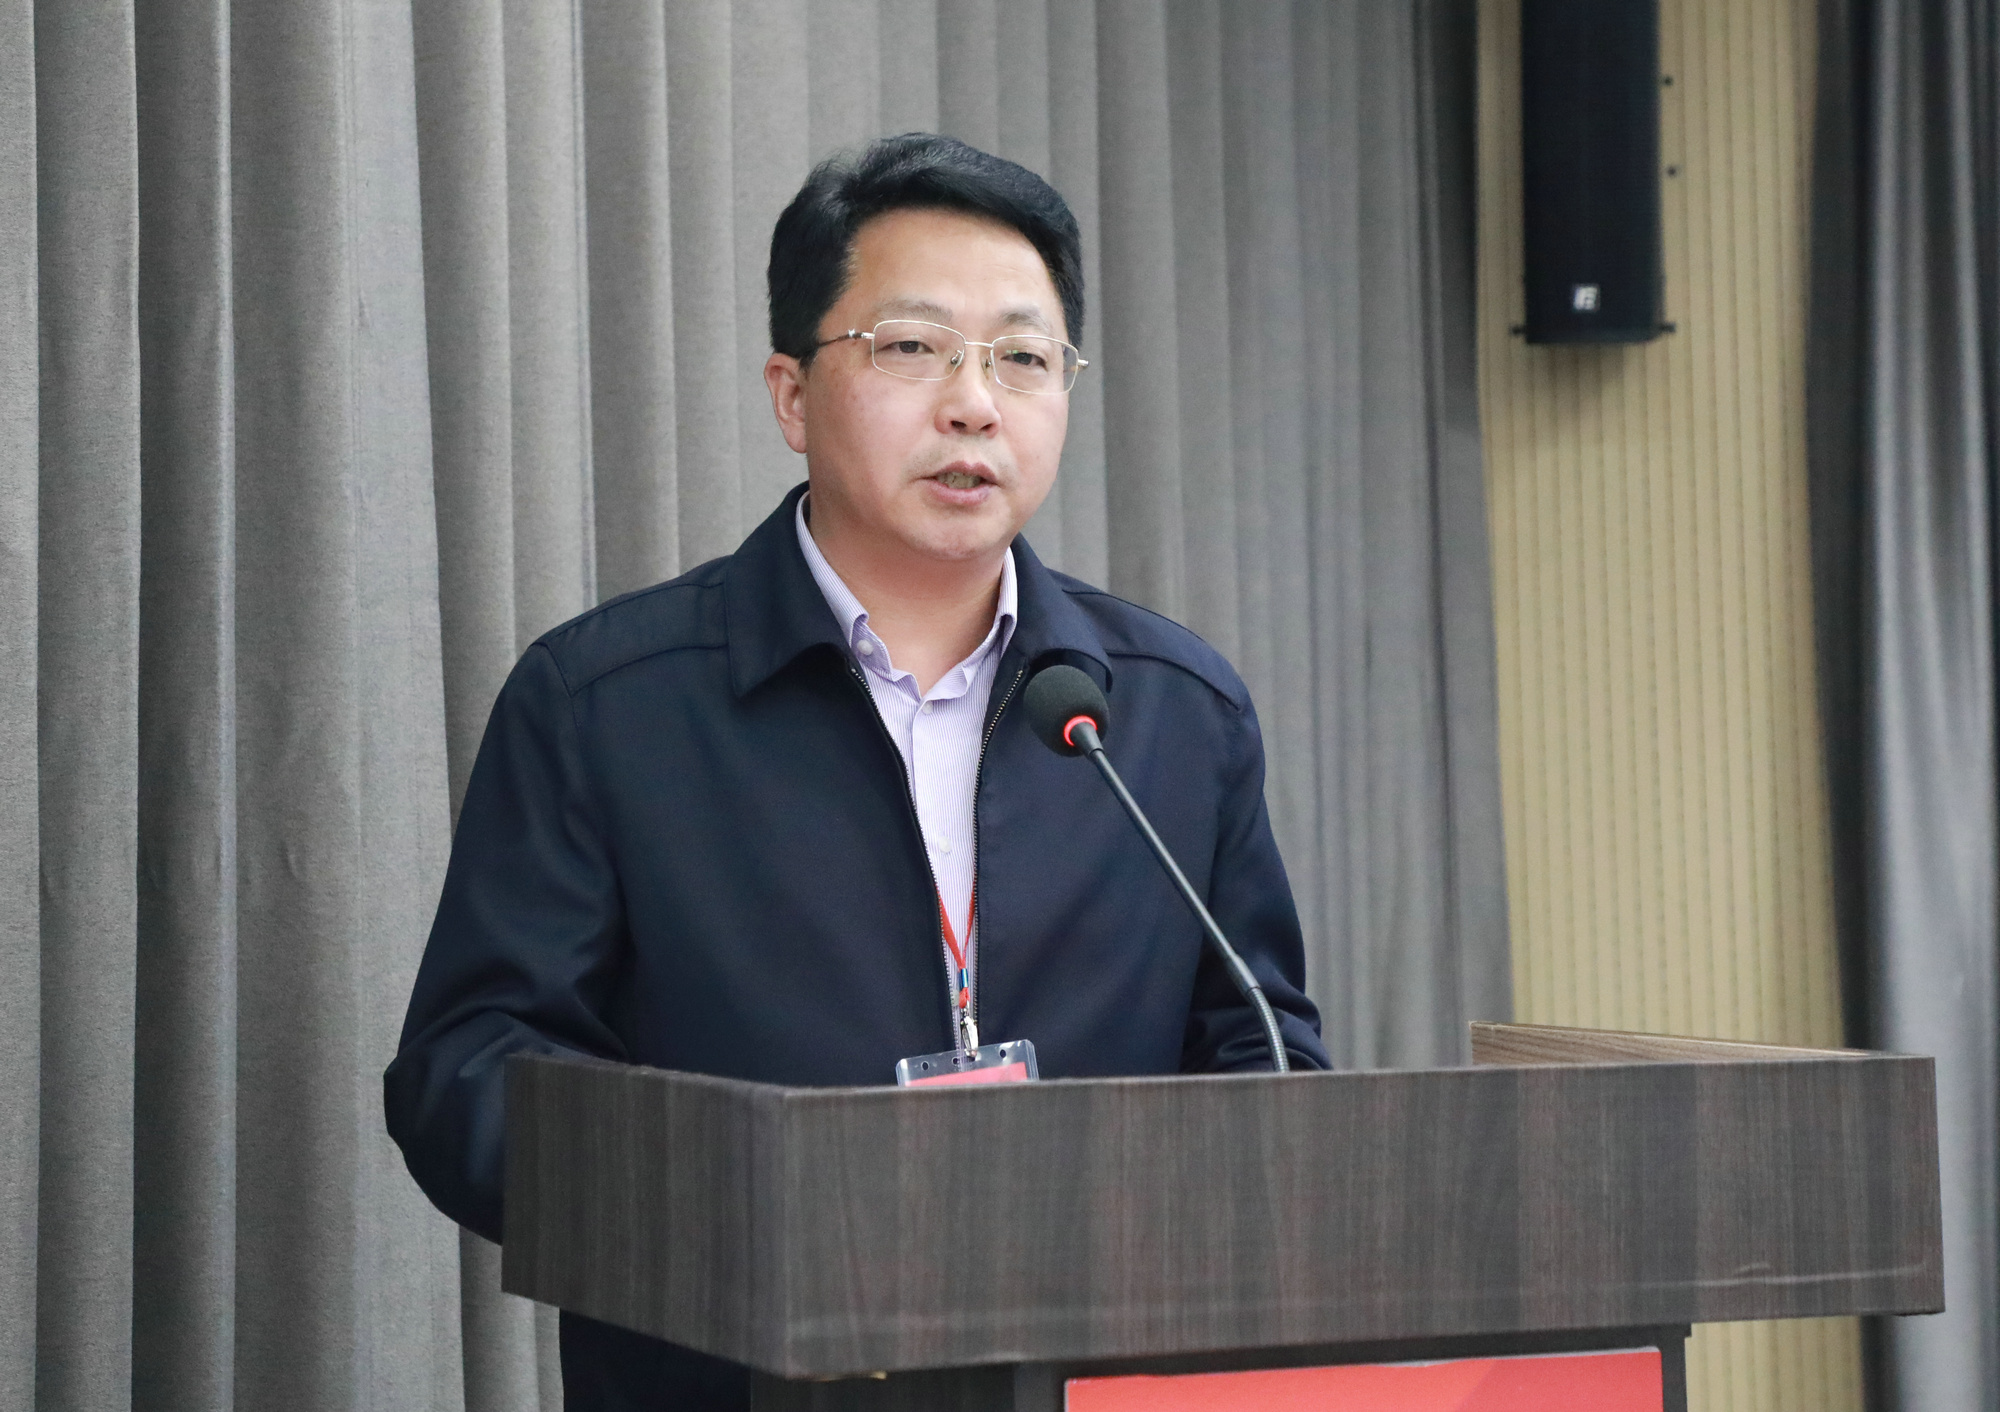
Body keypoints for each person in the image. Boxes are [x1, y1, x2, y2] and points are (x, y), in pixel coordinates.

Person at [384, 132, 1328, 1412]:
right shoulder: (607, 704)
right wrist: (745, 1208)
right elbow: (468, 1070)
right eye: (912, 346)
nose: (973, 403)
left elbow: (1261, 1055)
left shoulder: (1167, 713)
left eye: (1022, 357)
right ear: (791, 395)